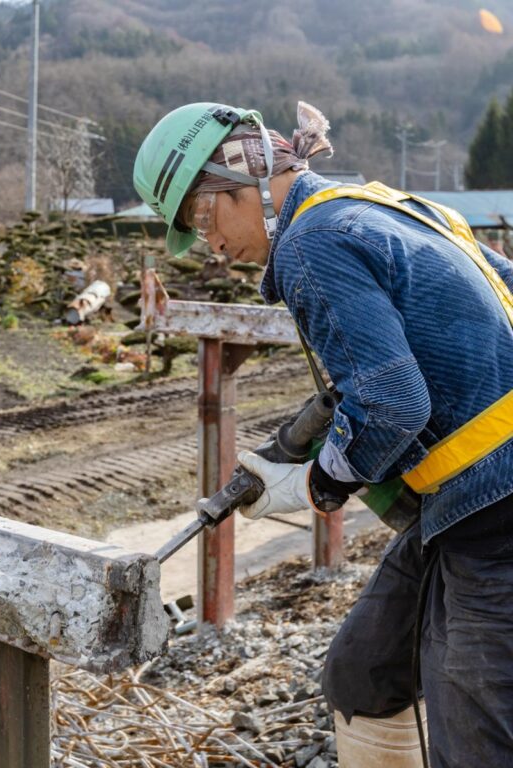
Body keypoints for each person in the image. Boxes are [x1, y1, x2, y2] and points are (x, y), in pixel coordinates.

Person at [133, 102, 513, 768]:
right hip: (463, 503)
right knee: (363, 671)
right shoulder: (385, 206)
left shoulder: (312, 241)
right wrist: (309, 439)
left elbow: (392, 402)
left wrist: (318, 481)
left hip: (496, 513)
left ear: (244, 173)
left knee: (478, 730)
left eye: (202, 216)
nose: (212, 245)